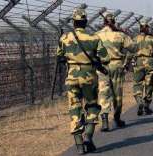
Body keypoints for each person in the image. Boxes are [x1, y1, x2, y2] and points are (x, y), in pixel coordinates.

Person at [57, 8, 108, 154]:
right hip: (89, 76)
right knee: (92, 106)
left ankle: (79, 145)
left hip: (72, 76)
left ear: (74, 22)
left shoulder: (64, 38)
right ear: (85, 22)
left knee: (75, 108)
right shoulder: (94, 38)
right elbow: (105, 58)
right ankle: (89, 137)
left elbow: (59, 57)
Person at [96, 12, 135, 131]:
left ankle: (104, 121)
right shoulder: (120, 35)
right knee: (117, 94)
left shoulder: (97, 35)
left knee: (103, 93)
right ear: (114, 21)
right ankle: (117, 118)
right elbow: (133, 48)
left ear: (103, 23)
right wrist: (127, 62)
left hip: (102, 66)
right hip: (117, 65)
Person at [133, 20, 153, 116]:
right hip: (150, 62)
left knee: (137, 83)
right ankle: (146, 105)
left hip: (139, 62)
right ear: (147, 28)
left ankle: (139, 101)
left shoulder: (135, 39)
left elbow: (130, 51)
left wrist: (127, 63)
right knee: (149, 84)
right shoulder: (152, 39)